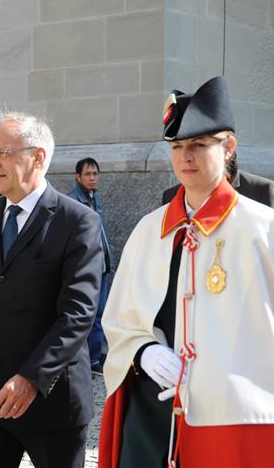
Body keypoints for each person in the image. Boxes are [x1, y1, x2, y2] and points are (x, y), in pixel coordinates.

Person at [99, 76, 274, 468]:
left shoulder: (265, 228)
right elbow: (120, 320)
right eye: (177, 147)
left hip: (234, 422)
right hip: (150, 418)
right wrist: (143, 352)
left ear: (228, 147)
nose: (185, 157)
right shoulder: (149, 230)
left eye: (197, 145)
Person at [0, 111, 104, 468]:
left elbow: (78, 314)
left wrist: (31, 378)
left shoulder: (78, 220)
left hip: (51, 400)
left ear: (38, 157)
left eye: (2, 153)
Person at [68, 157, 113, 374]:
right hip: (87, 267)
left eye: (95, 174)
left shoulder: (96, 198)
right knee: (89, 314)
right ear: (78, 177)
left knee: (101, 313)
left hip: (102, 265)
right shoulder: (73, 200)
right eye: (88, 174)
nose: (93, 178)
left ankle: (95, 356)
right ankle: (91, 360)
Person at [162, 152, 274, 207]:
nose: (186, 158)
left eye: (200, 145)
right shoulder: (171, 196)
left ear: (228, 150)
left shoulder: (263, 190)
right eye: (177, 146)